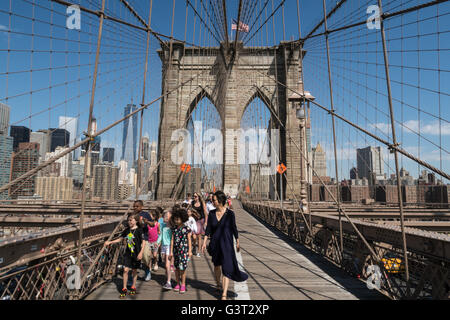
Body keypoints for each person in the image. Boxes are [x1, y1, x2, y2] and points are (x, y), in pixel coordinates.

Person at [201, 191, 248, 300]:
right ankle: (218, 284)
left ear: (220, 201)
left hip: (227, 245)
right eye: (212, 200)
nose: (212, 201)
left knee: (226, 268)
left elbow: (234, 228)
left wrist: (238, 241)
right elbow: (208, 230)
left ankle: (224, 294)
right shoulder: (212, 214)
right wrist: (204, 243)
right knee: (217, 266)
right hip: (215, 244)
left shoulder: (230, 214)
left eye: (214, 200)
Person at [105, 214, 144, 299]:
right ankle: (124, 288)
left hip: (136, 253)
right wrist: (110, 242)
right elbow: (120, 238)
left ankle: (133, 286)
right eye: (129, 220)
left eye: (131, 220)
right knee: (125, 270)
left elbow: (143, 242)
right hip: (128, 253)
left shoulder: (139, 230)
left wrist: (141, 253)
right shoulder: (127, 230)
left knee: (134, 270)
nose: (130, 222)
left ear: (136, 221)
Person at [169, 207, 192, 294]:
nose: (176, 221)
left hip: (184, 251)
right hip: (176, 251)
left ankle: (183, 284)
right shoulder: (174, 229)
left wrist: (190, 251)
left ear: (182, 219)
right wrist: (171, 251)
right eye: (175, 219)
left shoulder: (186, 229)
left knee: (182, 268)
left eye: (177, 219)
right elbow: (172, 240)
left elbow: (189, 240)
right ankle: (177, 283)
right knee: (177, 268)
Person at [132, 200, 155, 281]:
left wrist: (147, 221)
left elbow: (153, 224)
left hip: (144, 238)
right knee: (133, 257)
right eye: (134, 206)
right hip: (134, 238)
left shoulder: (146, 214)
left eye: (137, 206)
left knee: (145, 256)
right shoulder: (132, 215)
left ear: (142, 207)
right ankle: (132, 277)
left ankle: (147, 270)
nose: (135, 207)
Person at [158, 210, 174, 290]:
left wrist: (171, 250)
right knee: (165, 264)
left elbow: (172, 239)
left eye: (167, 216)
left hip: (169, 246)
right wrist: (158, 242)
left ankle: (169, 282)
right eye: (165, 216)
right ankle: (167, 278)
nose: (165, 217)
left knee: (167, 265)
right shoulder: (163, 225)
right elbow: (161, 235)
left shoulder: (172, 227)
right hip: (164, 245)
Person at [192, 192, 208, 257]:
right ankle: (194, 247)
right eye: (194, 196)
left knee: (199, 236)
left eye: (195, 196)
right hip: (193, 221)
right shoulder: (192, 203)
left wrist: (206, 222)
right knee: (193, 236)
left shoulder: (202, 203)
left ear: (198, 197)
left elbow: (205, 213)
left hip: (200, 220)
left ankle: (198, 251)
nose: (194, 197)